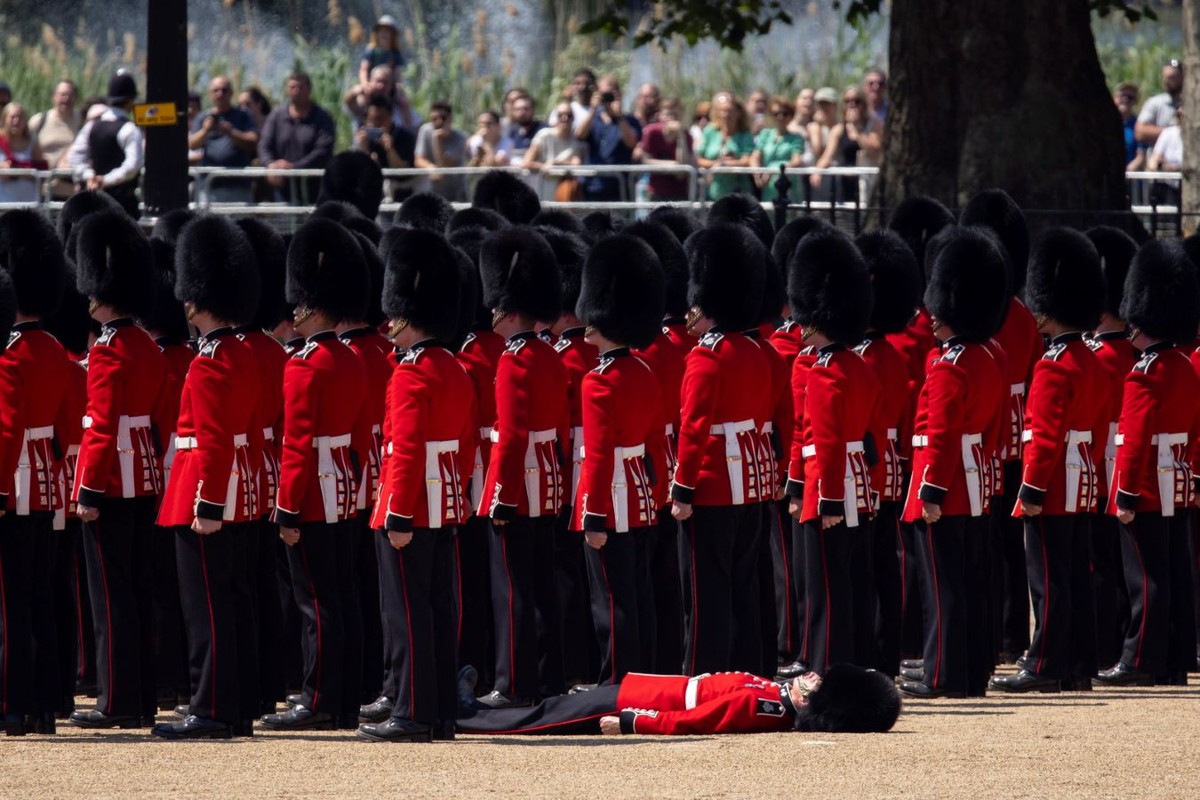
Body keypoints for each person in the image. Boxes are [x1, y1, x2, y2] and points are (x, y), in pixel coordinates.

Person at [357, 228, 473, 743]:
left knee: (405, 615)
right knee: (437, 609)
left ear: (406, 312)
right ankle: (441, 710)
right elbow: (463, 445)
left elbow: (403, 449)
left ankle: (412, 711)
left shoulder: (410, 373)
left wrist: (398, 513)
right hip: (443, 502)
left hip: (409, 505)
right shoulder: (453, 366)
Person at [150, 216, 263, 740]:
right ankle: (234, 706)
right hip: (235, 489)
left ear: (196, 301)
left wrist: (209, 503)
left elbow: (214, 439)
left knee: (208, 610)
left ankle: (210, 707)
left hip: (205, 492)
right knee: (234, 602)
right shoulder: (242, 353)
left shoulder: (210, 361)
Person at [989, 228, 1109, 694]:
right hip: (1083, 479)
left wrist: (1032, 489)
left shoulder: (1053, 365)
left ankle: (1044, 664)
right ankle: (1078, 664)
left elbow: (1042, 436)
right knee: (1077, 574)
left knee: (1049, 580)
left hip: (1054, 482)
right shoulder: (1091, 360)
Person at [260, 218, 368, 731]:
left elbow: (298, 444)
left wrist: (286, 507)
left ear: (311, 306)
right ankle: (344, 698)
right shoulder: (350, 359)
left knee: (315, 603)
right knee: (342, 597)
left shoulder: (303, 365)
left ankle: (317, 699)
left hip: (313, 495)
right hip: (344, 488)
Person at [898, 226, 1008, 700]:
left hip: (945, 484)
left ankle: (942, 674)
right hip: (977, 480)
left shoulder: (949, 365)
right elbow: (997, 427)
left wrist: (932, 491)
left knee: (942, 587)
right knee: (972, 582)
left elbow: (940, 436)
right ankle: (972, 672)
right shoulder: (990, 356)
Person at [69, 209, 168, 728]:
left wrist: (87, 488)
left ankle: (115, 702)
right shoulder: (148, 345)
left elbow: (101, 424)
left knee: (109, 595)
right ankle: (142, 696)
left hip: (110, 480)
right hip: (144, 476)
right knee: (138, 590)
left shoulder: (108, 349)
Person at [1097, 239, 1200, 687]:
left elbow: (1133, 440)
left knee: (1145, 576)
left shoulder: (1143, 373)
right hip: (1177, 481)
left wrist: (1125, 493)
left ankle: (1138, 659)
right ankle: (1174, 660)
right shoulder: (1184, 366)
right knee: (1175, 572)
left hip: (1148, 487)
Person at [475, 227, 568, 707]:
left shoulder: (513, 361)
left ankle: (512, 683)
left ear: (509, 309)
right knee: (544, 587)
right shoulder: (550, 354)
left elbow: (510, 437)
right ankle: (548, 678)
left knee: (511, 590)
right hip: (547, 482)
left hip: (519, 486)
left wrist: (500, 496)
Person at [670, 224, 768, 675]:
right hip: (751, 481)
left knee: (704, 591)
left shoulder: (706, 355)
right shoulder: (755, 350)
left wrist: (682, 489)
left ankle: (702, 676)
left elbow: (694, 428)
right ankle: (749, 672)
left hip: (712, 485)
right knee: (744, 586)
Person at [784, 227, 880, 676]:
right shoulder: (858, 365)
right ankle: (853, 662)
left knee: (824, 585)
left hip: (830, 488)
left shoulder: (823, 372)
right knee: (851, 580)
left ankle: (824, 667)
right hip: (856, 484)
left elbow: (825, 441)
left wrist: (826, 500)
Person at [0, 211, 72, 736]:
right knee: (43, 597)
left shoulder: (11, 354)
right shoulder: (55, 350)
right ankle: (46, 704)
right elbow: (66, 428)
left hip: (16, 488)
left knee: (9, 602)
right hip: (49, 485)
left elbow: (6, 432)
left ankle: (11, 703)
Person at [454, 662, 901, 736]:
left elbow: (699, 719)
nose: (814, 676)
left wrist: (635, 722)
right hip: (644, 691)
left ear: (811, 705)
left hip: (639, 703)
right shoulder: (780, 696)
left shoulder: (768, 707)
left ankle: (463, 717)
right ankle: (472, 710)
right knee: (550, 709)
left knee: (545, 718)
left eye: (819, 686)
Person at [853, 229, 923, 678]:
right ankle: (885, 653)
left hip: (868, 468)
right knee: (885, 564)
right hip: (890, 466)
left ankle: (874, 652)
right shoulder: (890, 354)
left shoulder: (866, 357)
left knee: (868, 566)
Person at [1083, 226, 1138, 672]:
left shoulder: (1099, 357)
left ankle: (1104, 645)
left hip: (1101, 467)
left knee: (1103, 562)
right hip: (1121, 466)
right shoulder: (1132, 356)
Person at [67, 70, 144, 217]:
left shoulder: (91, 126)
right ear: (131, 100)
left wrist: (89, 176)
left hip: (93, 202)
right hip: (122, 204)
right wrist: (106, 180)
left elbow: (75, 157)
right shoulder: (130, 129)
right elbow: (133, 165)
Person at [258, 72, 336, 204]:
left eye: (300, 87)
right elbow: (264, 145)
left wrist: (294, 167)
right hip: (281, 189)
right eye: (292, 87)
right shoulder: (276, 116)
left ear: (309, 89)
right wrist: (270, 165)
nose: (296, 91)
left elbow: (323, 150)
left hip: (314, 189)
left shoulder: (323, 118)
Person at [189, 76, 259, 204]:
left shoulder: (243, 115)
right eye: (216, 90)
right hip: (209, 188)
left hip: (238, 187)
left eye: (224, 90)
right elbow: (192, 144)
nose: (220, 94)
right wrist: (205, 130)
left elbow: (253, 141)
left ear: (231, 93)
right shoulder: (202, 117)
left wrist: (231, 132)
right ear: (210, 94)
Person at [810, 86, 880, 203]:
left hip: (866, 180)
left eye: (856, 101)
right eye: (847, 101)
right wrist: (817, 171)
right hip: (845, 182)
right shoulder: (839, 129)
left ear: (863, 104)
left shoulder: (873, 125)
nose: (852, 105)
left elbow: (875, 150)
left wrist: (857, 131)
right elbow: (827, 155)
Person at [577, 76, 641, 202]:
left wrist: (619, 117)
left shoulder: (630, 120)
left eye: (610, 94)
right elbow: (580, 135)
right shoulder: (593, 118)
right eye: (603, 94)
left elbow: (631, 143)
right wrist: (593, 109)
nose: (606, 98)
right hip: (593, 184)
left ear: (618, 94)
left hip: (621, 186)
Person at [356, 96, 418, 202]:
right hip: (379, 188)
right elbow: (361, 170)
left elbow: (403, 171)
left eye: (381, 118)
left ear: (390, 116)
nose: (377, 123)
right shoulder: (366, 138)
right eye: (372, 119)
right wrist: (363, 148)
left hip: (406, 187)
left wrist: (390, 149)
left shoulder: (404, 136)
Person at [696, 92, 755, 200]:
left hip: (739, 192)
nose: (726, 115)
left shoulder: (745, 134)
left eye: (729, 111)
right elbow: (699, 160)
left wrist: (725, 165)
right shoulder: (710, 131)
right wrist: (716, 164)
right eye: (722, 111)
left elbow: (747, 160)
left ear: (738, 113)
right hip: (712, 191)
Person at [522, 103, 586, 201]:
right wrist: (543, 167)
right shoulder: (544, 135)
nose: (564, 118)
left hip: (564, 198)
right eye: (560, 115)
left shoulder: (576, 143)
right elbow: (526, 162)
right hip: (542, 192)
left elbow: (576, 166)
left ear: (573, 118)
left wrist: (556, 163)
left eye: (568, 115)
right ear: (556, 117)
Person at [30, 80, 81, 200]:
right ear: (53, 97)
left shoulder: (82, 120)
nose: (66, 99)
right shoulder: (39, 121)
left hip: (75, 191)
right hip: (45, 192)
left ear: (75, 98)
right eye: (62, 94)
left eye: (70, 95)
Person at [635, 97, 693, 202]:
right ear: (660, 115)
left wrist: (680, 136)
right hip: (655, 192)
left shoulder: (687, 136)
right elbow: (645, 160)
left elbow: (681, 173)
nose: (672, 119)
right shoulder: (651, 132)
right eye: (668, 115)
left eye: (676, 115)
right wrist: (671, 165)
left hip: (680, 193)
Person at [752, 96, 805, 203]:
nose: (780, 117)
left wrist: (774, 170)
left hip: (789, 187)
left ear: (790, 116)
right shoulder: (765, 134)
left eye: (784, 113)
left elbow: (796, 161)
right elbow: (755, 157)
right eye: (776, 113)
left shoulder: (796, 138)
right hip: (768, 188)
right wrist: (757, 175)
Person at [344, 65, 421, 135]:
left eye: (385, 82)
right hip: (365, 144)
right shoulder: (363, 103)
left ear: (391, 86)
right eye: (378, 81)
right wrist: (357, 91)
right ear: (370, 81)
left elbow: (414, 130)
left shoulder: (400, 106)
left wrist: (405, 110)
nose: (381, 86)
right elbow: (349, 103)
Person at [414, 101, 468, 201]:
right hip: (432, 191)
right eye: (434, 119)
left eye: (443, 118)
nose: (438, 122)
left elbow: (444, 166)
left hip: (455, 192)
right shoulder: (425, 130)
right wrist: (431, 168)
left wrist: (438, 140)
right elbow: (419, 160)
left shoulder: (460, 138)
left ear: (450, 119)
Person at [0, 103, 47, 203]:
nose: (16, 121)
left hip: (29, 201)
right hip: (4, 201)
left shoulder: (32, 141)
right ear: (4, 119)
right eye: (12, 117)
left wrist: (15, 170)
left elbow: (41, 169)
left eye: (20, 117)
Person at [1135, 58, 1182, 147]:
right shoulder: (1155, 103)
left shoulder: (1194, 104)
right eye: (1164, 77)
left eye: (1171, 77)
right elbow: (1140, 131)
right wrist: (1175, 133)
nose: (1166, 81)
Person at [358, 15, 406, 91]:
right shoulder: (371, 51)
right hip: (371, 85)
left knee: (402, 98)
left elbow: (398, 75)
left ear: (393, 35)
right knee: (356, 94)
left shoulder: (395, 54)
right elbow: (364, 70)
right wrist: (365, 84)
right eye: (381, 31)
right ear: (376, 33)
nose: (384, 33)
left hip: (388, 89)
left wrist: (399, 87)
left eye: (387, 31)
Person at [1147, 106, 1183, 206]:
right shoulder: (1168, 133)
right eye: (1179, 116)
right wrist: (1160, 165)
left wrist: (1177, 167)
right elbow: (1153, 162)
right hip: (1169, 185)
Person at [549, 68, 596, 133]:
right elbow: (553, 130)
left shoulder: (600, 111)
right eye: (578, 83)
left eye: (587, 84)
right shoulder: (566, 109)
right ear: (573, 86)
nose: (583, 87)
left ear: (594, 86)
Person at [1114, 83, 1145, 171]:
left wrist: (1125, 172)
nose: (1125, 99)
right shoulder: (1105, 123)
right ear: (1115, 98)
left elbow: (1141, 156)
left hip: (1130, 174)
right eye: (1122, 96)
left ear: (1135, 101)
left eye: (1130, 97)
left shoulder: (1139, 125)